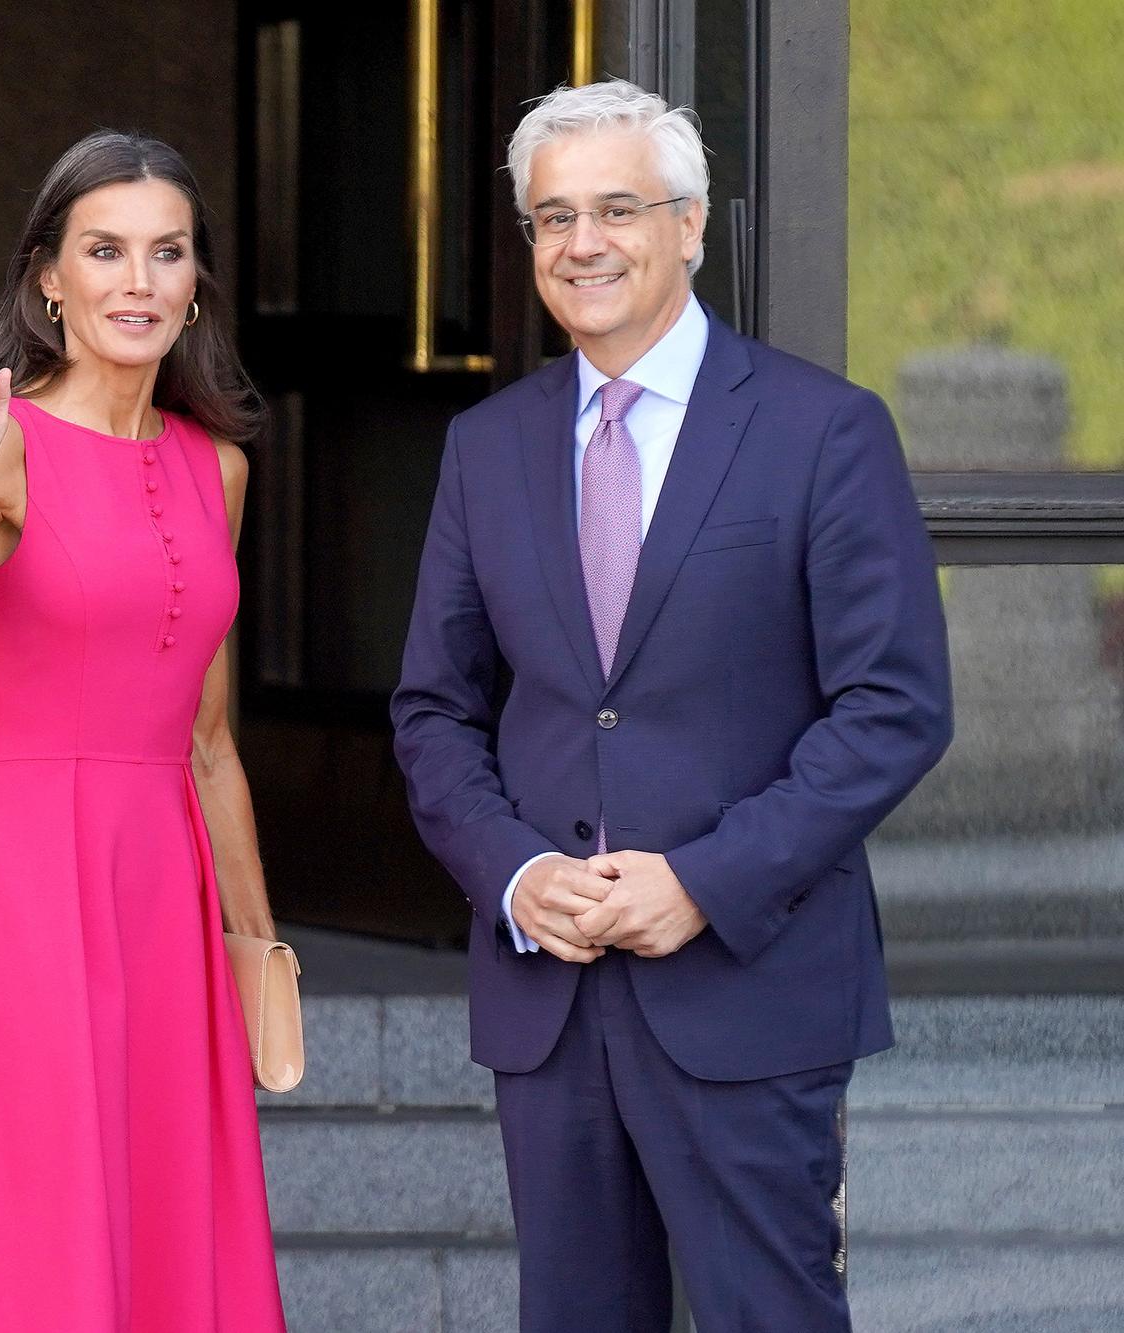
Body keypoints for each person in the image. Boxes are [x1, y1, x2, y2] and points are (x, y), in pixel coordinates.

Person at [391, 80, 953, 1331]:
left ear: (690, 226)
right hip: (549, 994)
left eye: (614, 209)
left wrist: (702, 878)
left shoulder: (823, 432)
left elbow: (893, 704)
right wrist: (515, 873)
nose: (579, 243)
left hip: (748, 984)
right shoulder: (485, 447)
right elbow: (433, 709)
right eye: (549, 218)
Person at [0, 131, 287, 1331]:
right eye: (104, 251)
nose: (138, 281)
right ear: (48, 276)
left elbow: (208, 741)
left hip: (168, 891)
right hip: (31, 883)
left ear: (197, 279)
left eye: (167, 252)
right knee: (39, 1213)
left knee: (162, 1211)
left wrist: (255, 946)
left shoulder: (219, 466)